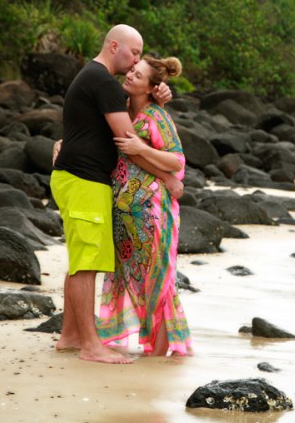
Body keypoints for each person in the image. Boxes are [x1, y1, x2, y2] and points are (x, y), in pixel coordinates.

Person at [50, 24, 181, 364]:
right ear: (113, 46)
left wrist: (157, 96)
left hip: (77, 179)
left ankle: (70, 336)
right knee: (87, 264)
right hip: (84, 181)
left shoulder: (95, 78)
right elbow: (129, 144)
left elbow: (94, 127)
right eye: (134, 53)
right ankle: (90, 345)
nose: (137, 60)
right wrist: (167, 177)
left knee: (82, 260)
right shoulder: (104, 82)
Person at [96, 55, 193, 357]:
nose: (130, 76)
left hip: (152, 213)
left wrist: (142, 148)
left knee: (158, 282)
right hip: (126, 217)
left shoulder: (156, 115)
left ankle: (158, 356)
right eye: (132, 71)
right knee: (136, 280)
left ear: (151, 88)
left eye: (138, 76)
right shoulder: (123, 110)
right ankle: (153, 348)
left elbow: (177, 160)